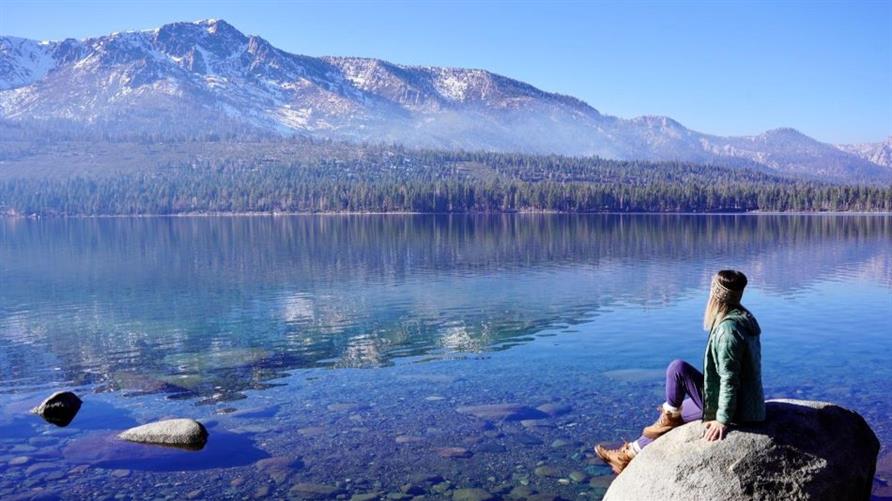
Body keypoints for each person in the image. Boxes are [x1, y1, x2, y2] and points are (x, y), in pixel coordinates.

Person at [594, 269, 765, 474]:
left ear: (717, 297)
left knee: (677, 369)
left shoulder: (728, 331)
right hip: (747, 404)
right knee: (677, 412)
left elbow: (730, 379)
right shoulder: (743, 318)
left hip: (736, 410)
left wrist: (721, 419)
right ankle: (629, 453)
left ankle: (647, 437)